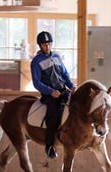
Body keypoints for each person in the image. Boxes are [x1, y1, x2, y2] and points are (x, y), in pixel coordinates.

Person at [30, 31, 76, 159]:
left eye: (49, 44)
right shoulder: (36, 61)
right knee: (53, 115)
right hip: (49, 94)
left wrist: (71, 85)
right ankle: (49, 146)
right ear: (40, 45)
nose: (47, 47)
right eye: (45, 45)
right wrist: (50, 91)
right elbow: (37, 83)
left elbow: (65, 73)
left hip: (62, 90)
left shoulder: (57, 57)